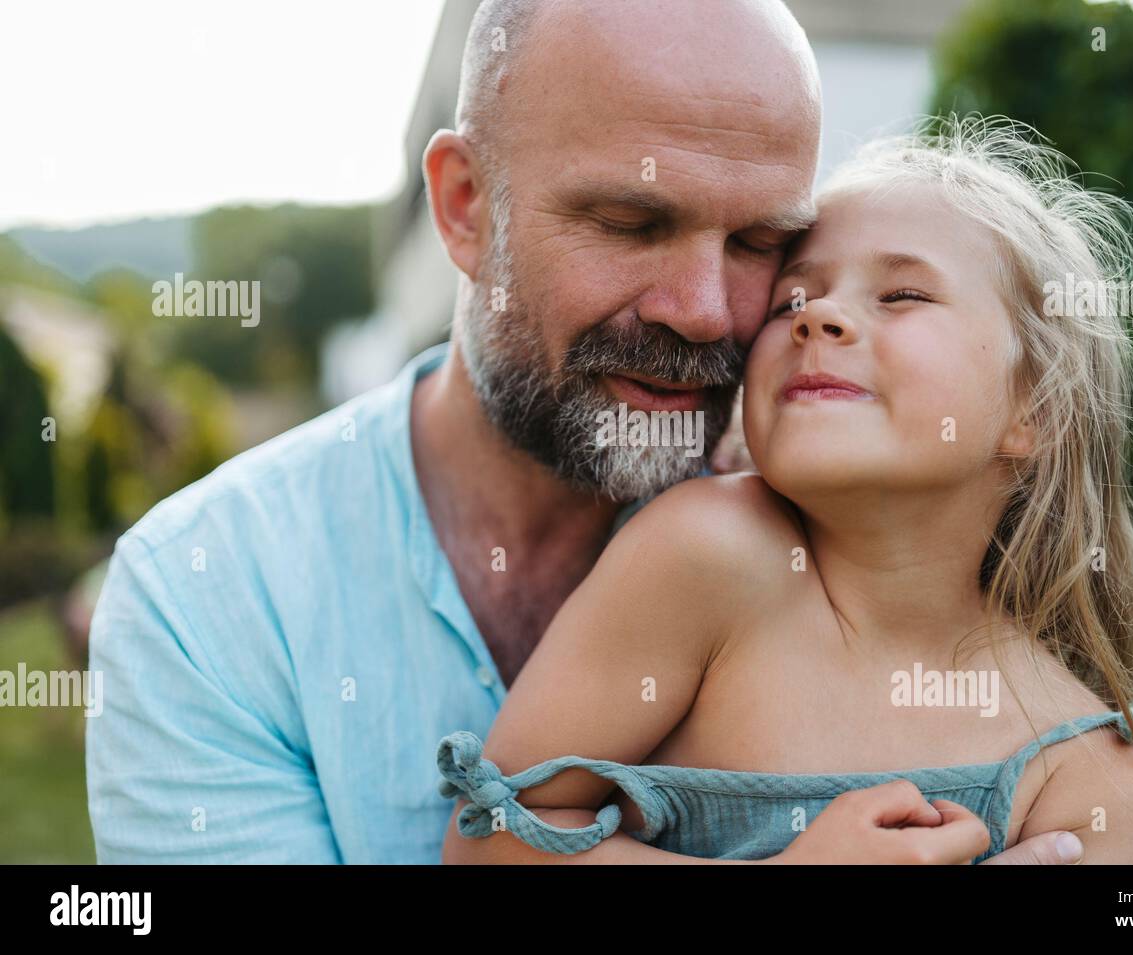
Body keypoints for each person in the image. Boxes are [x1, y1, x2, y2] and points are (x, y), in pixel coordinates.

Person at [86, 0, 1081, 864]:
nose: (701, 310)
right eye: (630, 224)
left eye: (758, 242)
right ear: (467, 209)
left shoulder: (868, 533)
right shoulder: (206, 593)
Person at [437, 117, 1133, 864]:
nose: (820, 318)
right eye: (790, 303)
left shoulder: (1084, 768)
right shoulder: (703, 554)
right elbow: (492, 838)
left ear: (1036, 408)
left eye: (901, 294)